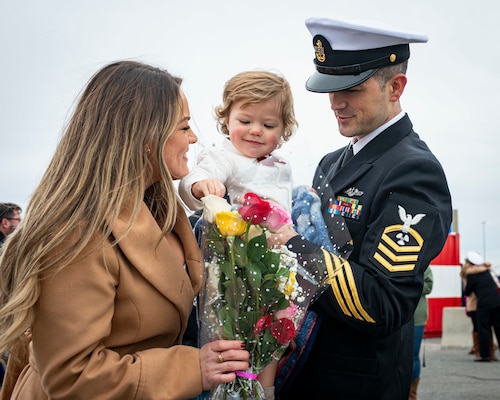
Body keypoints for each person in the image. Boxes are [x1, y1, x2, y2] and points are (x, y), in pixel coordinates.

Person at [0, 60, 252, 400]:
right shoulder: (78, 235)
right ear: (147, 137)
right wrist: (193, 369)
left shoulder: (160, 207)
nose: (193, 138)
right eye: (184, 127)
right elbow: (72, 376)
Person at [271, 17, 452, 399]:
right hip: (302, 371)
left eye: (351, 88)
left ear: (396, 86)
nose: (335, 103)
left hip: (354, 384)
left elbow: (380, 302)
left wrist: (291, 245)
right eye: (331, 88)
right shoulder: (330, 162)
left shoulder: (414, 171)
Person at [179, 70, 298, 212]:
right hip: (240, 231)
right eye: (245, 121)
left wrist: (301, 193)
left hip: (283, 231)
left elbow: (283, 195)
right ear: (227, 121)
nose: (255, 131)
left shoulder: (281, 163)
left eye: (268, 125)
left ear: (283, 129)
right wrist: (199, 185)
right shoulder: (224, 157)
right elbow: (197, 176)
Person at [462, 251, 500, 362]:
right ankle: (492, 353)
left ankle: (485, 355)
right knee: (498, 328)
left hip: (483, 304)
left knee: (483, 329)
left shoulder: (472, 276)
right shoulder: (487, 272)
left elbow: (468, 291)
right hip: (497, 302)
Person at [409, 266, 433, 399]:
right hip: (399, 316)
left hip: (417, 317)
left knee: (413, 355)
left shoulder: (425, 266)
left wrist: (407, 284)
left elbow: (428, 286)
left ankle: (412, 394)